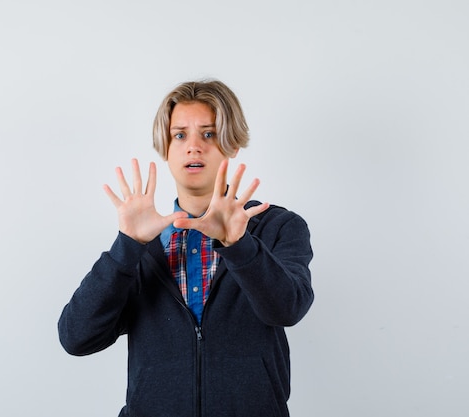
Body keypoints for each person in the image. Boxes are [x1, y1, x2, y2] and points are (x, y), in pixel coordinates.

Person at [58, 79, 314, 417]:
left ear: (232, 144)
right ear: (165, 147)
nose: (193, 147)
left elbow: (287, 309)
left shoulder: (277, 227)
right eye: (180, 135)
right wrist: (127, 246)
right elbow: (77, 338)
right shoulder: (142, 243)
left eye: (208, 134)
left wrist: (238, 245)